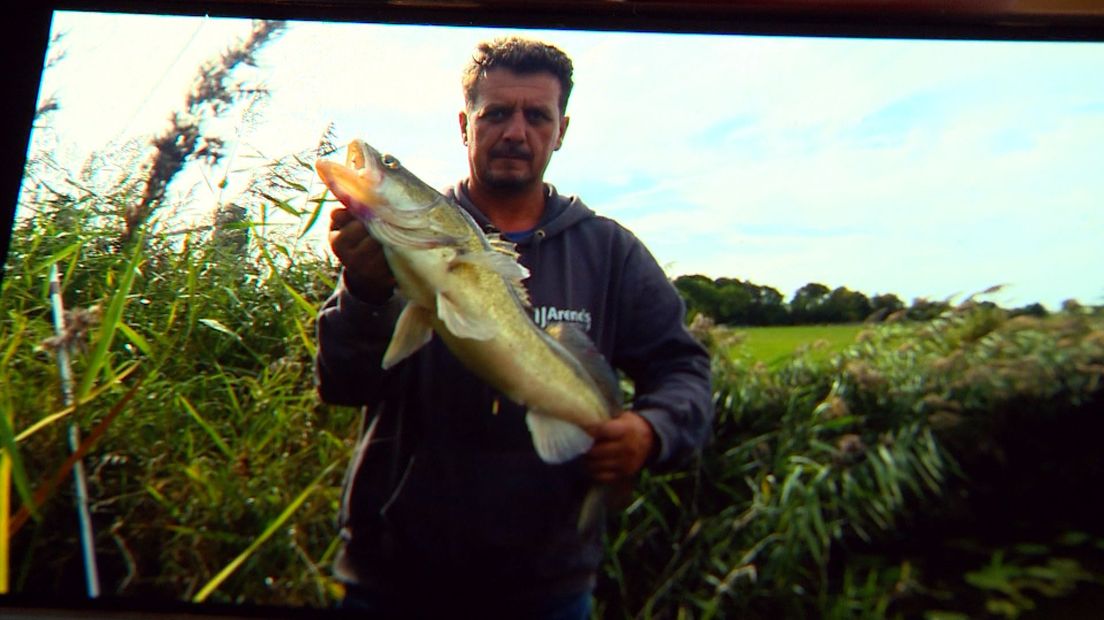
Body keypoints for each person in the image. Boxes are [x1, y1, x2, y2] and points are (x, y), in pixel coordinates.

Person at [315, 37, 713, 618]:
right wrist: (366, 292)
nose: (515, 132)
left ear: (562, 129)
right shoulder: (394, 244)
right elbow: (341, 385)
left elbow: (685, 369)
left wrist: (651, 431)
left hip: (547, 588)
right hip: (391, 580)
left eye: (537, 116)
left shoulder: (610, 251)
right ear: (465, 124)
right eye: (496, 113)